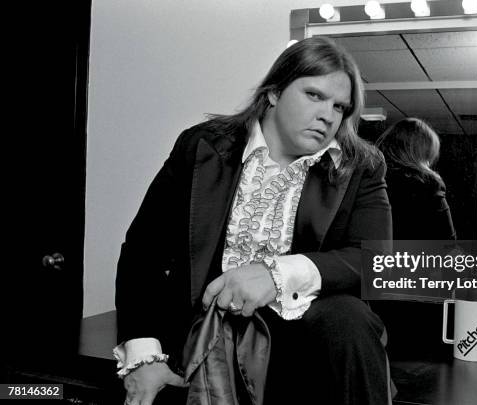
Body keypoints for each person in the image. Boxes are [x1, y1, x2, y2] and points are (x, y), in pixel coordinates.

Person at [114, 36, 393, 405]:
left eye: (340, 106)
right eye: (314, 95)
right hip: (199, 340)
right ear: (274, 92)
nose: (329, 115)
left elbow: (374, 260)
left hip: (305, 352)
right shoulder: (202, 147)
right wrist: (143, 355)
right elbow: (143, 252)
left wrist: (275, 275)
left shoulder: (360, 166)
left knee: (348, 318)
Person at [375, 118, 456, 240]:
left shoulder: (371, 179)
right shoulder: (429, 186)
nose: (429, 163)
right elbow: (449, 246)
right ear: (420, 155)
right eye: (427, 156)